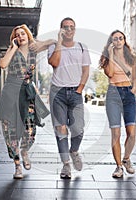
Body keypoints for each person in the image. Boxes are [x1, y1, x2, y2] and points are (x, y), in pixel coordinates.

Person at [0, 24, 56, 179]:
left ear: (27, 35)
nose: (20, 36)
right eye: (17, 34)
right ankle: (17, 166)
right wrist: (13, 48)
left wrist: (40, 42)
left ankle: (24, 151)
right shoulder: (12, 50)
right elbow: (3, 64)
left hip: (27, 92)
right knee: (11, 132)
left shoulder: (33, 49)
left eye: (23, 33)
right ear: (14, 38)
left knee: (30, 131)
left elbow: (53, 41)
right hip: (11, 92)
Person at [47, 17, 91, 179]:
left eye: (72, 27)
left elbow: (86, 71)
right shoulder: (53, 47)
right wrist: (58, 41)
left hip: (76, 92)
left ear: (75, 29)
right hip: (57, 92)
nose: (69, 30)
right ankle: (66, 165)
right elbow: (55, 62)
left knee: (78, 128)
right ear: (61, 29)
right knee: (61, 128)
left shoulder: (81, 47)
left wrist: (79, 89)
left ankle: (74, 151)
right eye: (65, 27)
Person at [99, 30, 136, 178]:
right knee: (116, 133)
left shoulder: (131, 57)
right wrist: (111, 54)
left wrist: (134, 88)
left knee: (131, 133)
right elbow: (110, 73)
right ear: (111, 42)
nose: (118, 41)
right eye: (115, 39)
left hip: (128, 94)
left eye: (121, 38)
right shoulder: (107, 58)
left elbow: (134, 77)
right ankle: (119, 167)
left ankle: (126, 159)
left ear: (124, 40)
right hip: (114, 94)